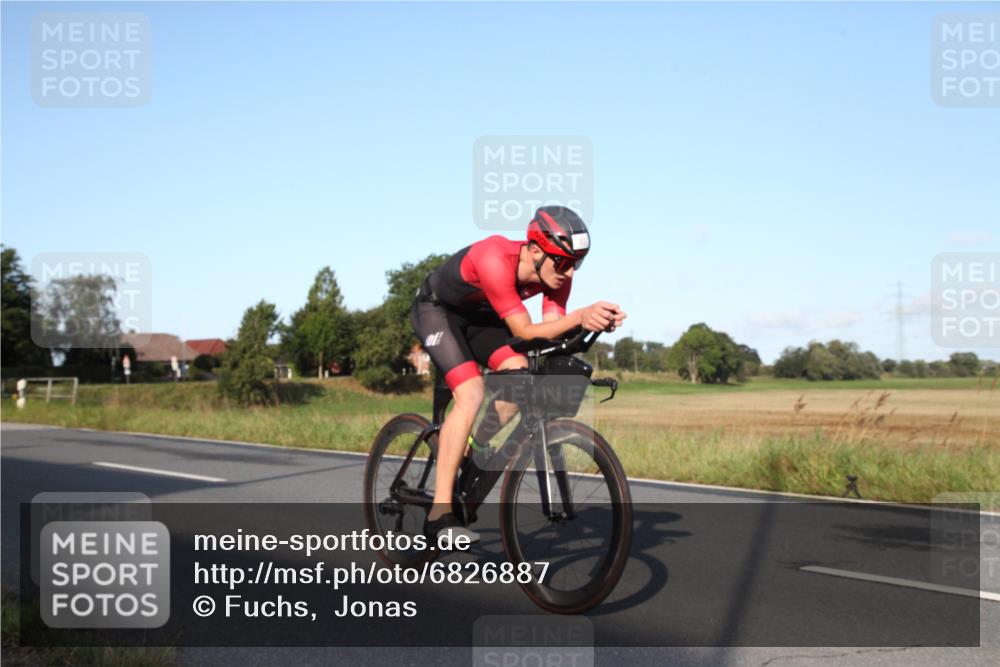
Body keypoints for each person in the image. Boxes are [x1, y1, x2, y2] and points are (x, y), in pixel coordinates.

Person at [410, 206, 627, 543]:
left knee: (521, 375)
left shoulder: (557, 276)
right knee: (471, 393)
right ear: (536, 250)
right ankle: (439, 512)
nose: (569, 273)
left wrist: (594, 325)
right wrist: (581, 316)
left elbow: (550, 332)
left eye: (577, 264)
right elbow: (525, 331)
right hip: (439, 312)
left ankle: (470, 448)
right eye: (565, 262)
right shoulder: (495, 257)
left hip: (484, 321)